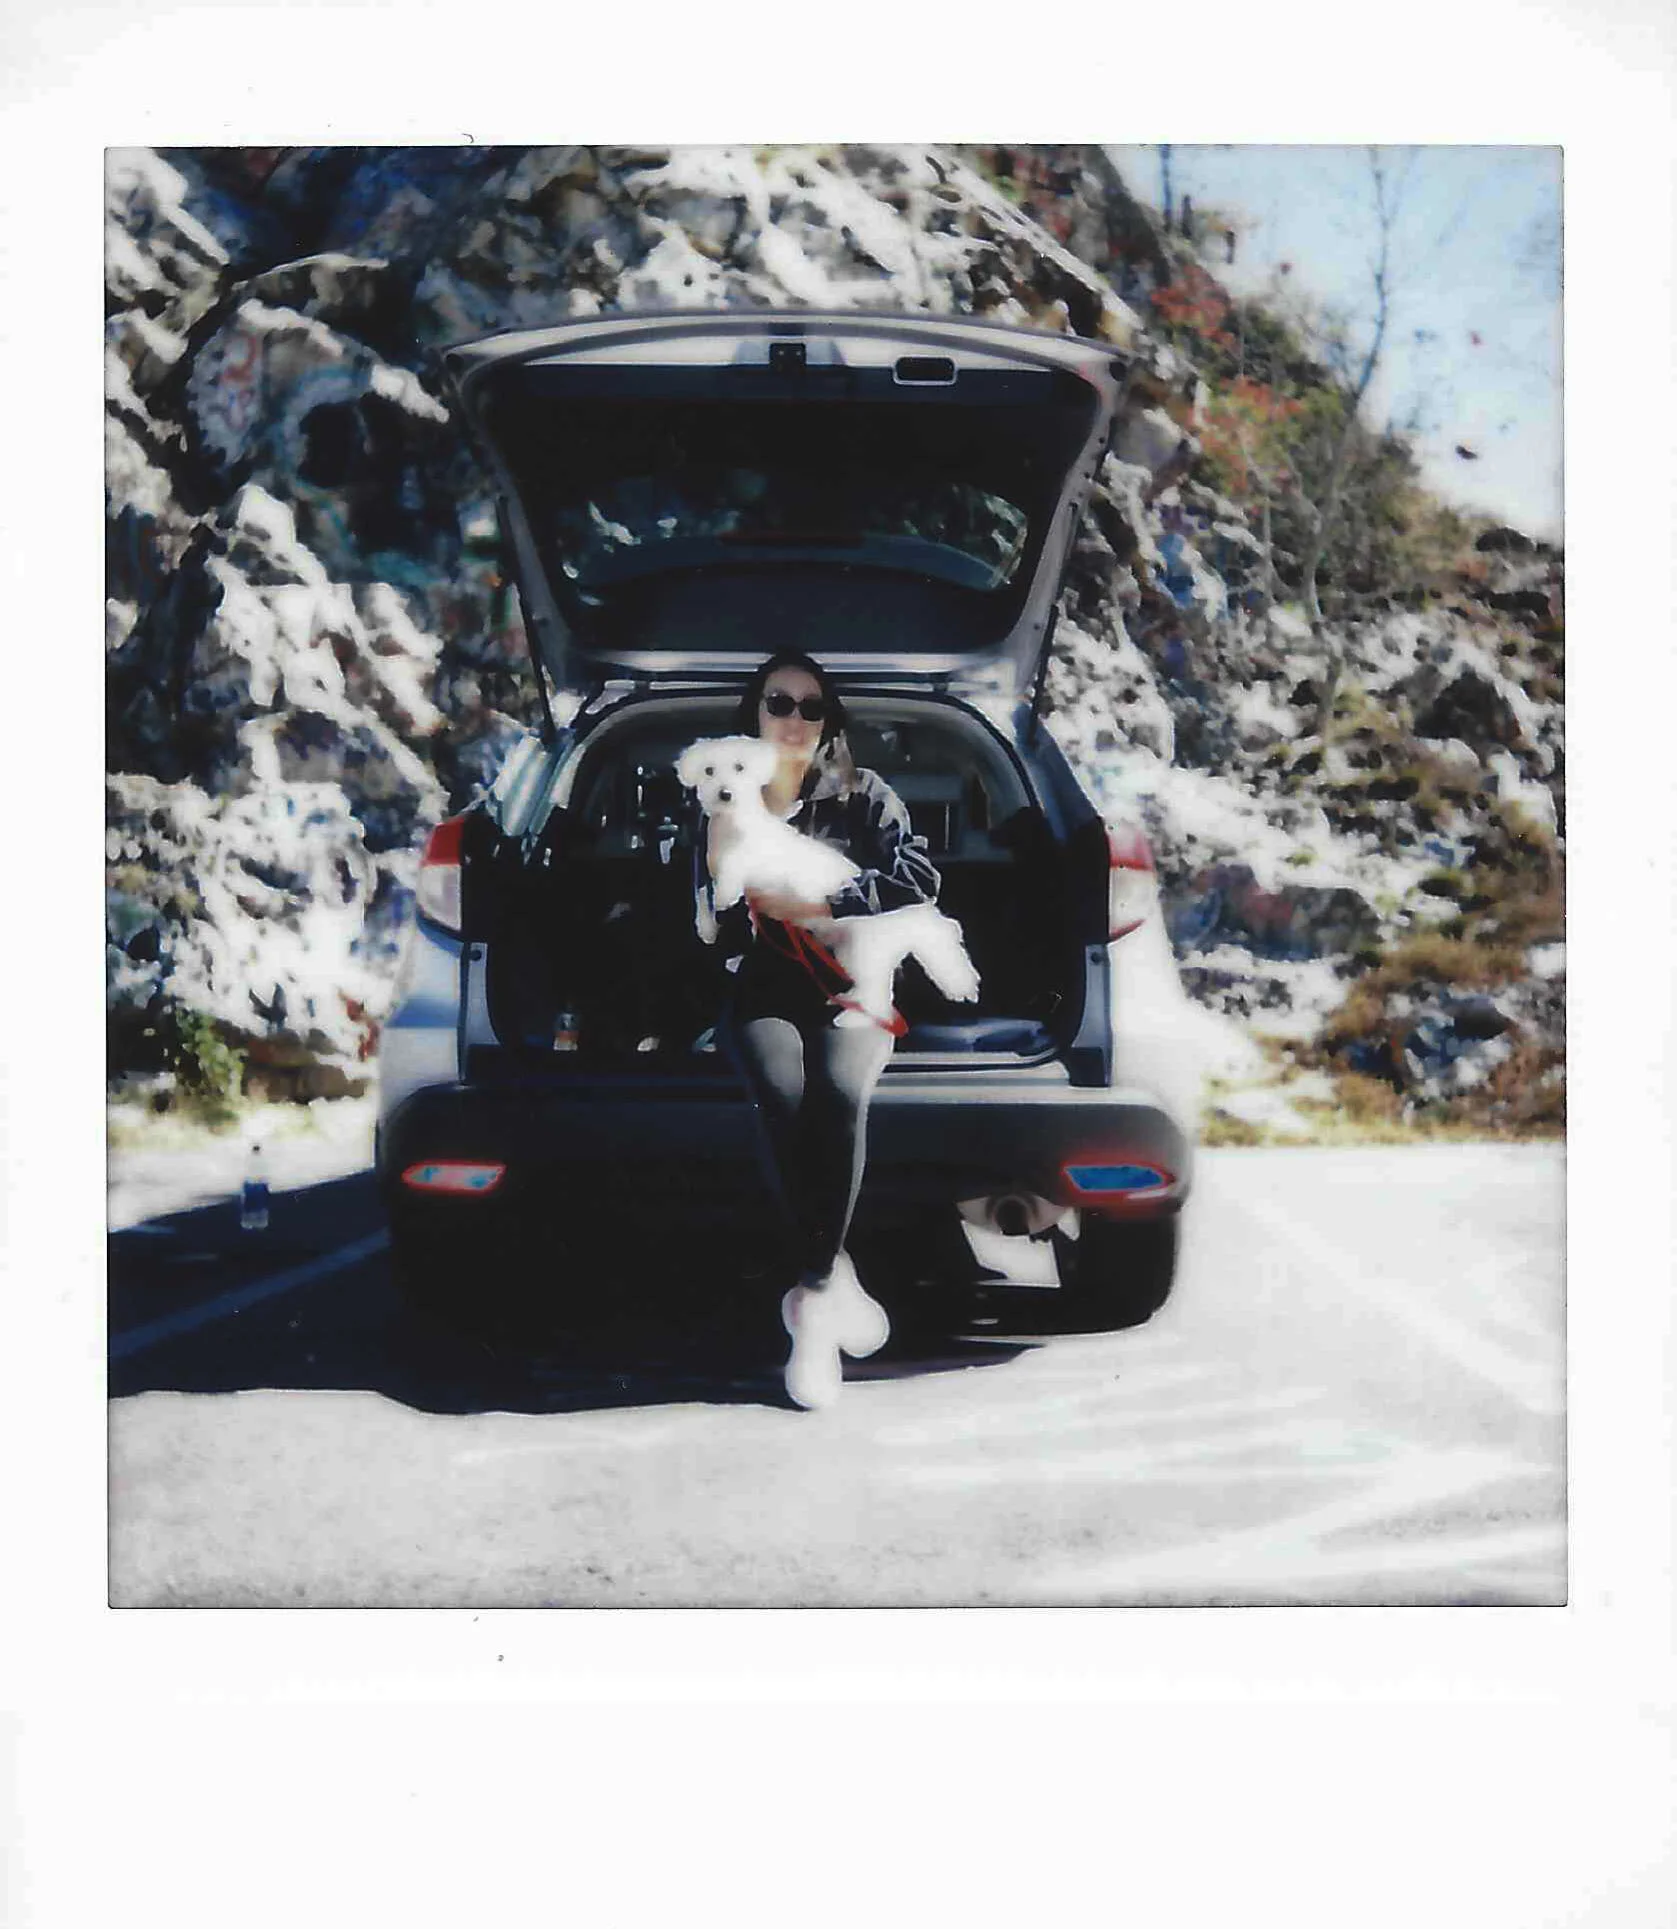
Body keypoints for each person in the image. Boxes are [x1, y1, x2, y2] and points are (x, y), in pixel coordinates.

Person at [693, 649, 941, 1409]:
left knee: (838, 1092)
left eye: (811, 706)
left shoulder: (866, 795)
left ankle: (810, 1299)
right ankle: (830, 1282)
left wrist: (825, 905)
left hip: (852, 980)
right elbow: (709, 932)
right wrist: (720, 876)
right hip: (764, 985)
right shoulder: (723, 800)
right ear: (754, 714)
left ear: (829, 722)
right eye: (779, 702)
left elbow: (920, 878)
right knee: (781, 1094)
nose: (795, 719)